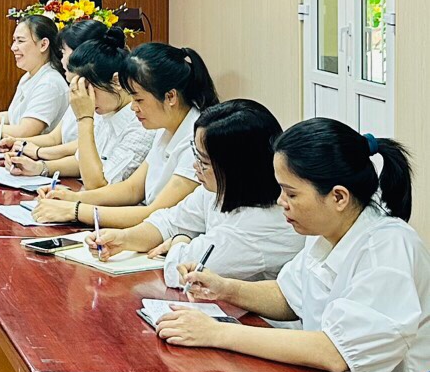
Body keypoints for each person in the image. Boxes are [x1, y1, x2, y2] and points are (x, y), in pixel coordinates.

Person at [156, 118, 430, 372]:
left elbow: (334, 352)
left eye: (291, 194)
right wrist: (225, 288)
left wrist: (215, 333)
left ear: (338, 197)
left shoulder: (388, 250)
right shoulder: (326, 231)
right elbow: (288, 296)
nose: (281, 202)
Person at [84, 99, 303, 287]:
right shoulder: (218, 189)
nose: (195, 166)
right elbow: (169, 220)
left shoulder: (260, 225)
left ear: (236, 168)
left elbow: (181, 272)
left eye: (204, 161)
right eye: (196, 155)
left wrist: (181, 239)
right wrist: (124, 239)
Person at [31, 42, 217, 227]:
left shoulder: (196, 139)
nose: (133, 107)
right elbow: (132, 189)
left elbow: (155, 213)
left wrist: (75, 210)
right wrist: (72, 197)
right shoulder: (166, 127)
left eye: (139, 99)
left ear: (170, 97)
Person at [3, 32, 153, 187]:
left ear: (116, 81)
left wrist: (84, 119)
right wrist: (40, 168)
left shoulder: (140, 124)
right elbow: (80, 160)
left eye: (87, 88)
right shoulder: (106, 109)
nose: (82, 96)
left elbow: (97, 184)